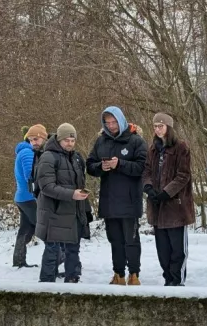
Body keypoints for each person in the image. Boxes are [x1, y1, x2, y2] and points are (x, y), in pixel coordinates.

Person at [86, 106, 148, 286]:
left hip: (130, 200)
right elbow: (90, 165)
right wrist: (100, 167)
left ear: (121, 120)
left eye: (114, 122)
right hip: (109, 201)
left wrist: (119, 164)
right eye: (108, 123)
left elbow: (142, 168)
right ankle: (118, 273)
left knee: (131, 240)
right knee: (115, 240)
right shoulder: (101, 141)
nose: (111, 126)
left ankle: (134, 273)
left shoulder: (136, 141)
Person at [143, 113, 196, 286]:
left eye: (161, 126)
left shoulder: (181, 147)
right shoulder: (152, 148)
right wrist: (149, 187)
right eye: (155, 126)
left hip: (176, 206)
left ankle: (177, 279)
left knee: (177, 249)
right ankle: (168, 278)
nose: (158, 129)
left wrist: (167, 192)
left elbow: (183, 175)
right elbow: (147, 171)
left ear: (168, 127)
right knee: (163, 249)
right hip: (157, 207)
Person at [36, 124, 91, 283]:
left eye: (72, 140)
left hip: (73, 213)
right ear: (59, 139)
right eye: (66, 140)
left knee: (73, 250)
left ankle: (72, 282)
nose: (69, 143)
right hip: (53, 213)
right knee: (52, 251)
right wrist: (71, 194)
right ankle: (46, 287)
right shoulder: (48, 157)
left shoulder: (76, 157)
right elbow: (46, 187)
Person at [13, 124, 47, 268]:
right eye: (33, 139)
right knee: (45, 228)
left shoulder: (25, 151)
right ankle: (58, 258)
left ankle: (19, 261)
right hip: (29, 198)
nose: (36, 142)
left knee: (26, 229)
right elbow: (31, 175)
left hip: (22, 198)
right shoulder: (27, 153)